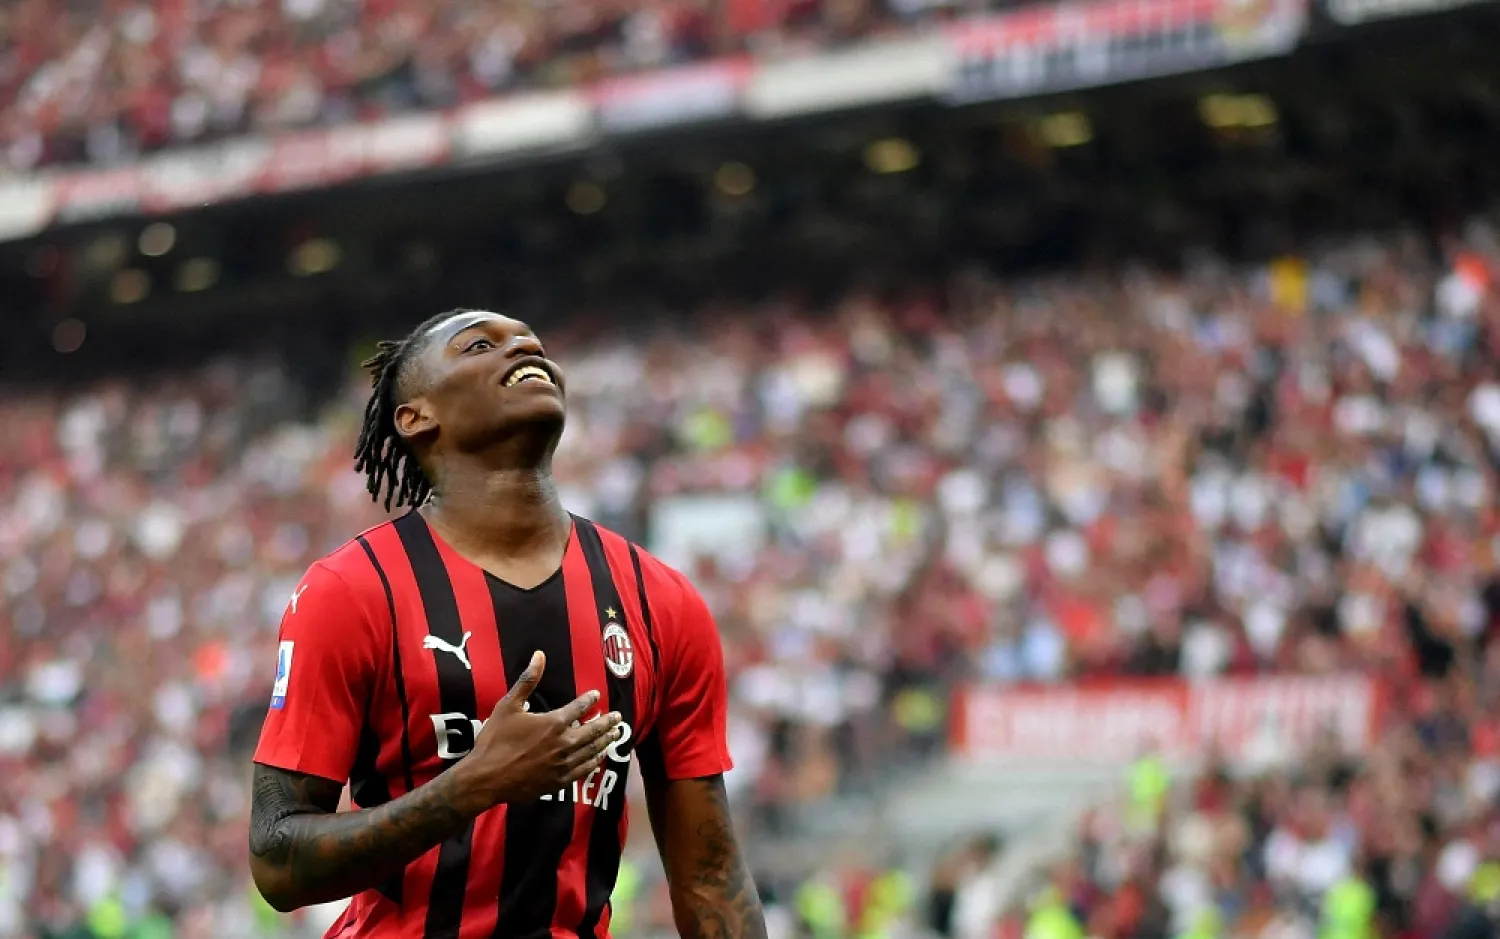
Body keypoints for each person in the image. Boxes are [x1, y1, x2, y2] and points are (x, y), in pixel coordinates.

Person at [247, 309, 768, 939]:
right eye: (480, 346)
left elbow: (710, 878)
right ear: (416, 416)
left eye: (531, 343)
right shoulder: (352, 591)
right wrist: (470, 786)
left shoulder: (662, 603)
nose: (522, 347)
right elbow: (276, 862)